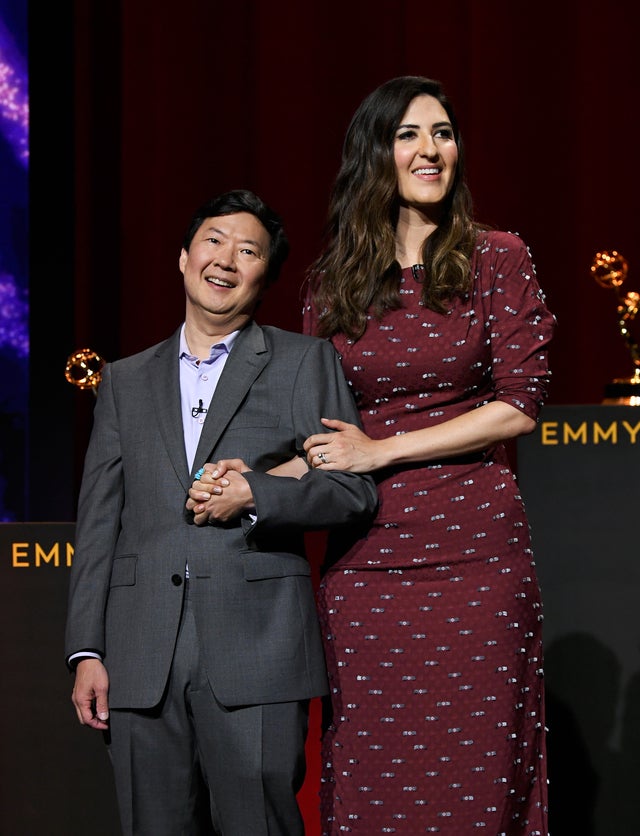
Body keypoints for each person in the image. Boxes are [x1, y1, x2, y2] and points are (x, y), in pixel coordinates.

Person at [64, 188, 378, 836]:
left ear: (265, 274)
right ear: (183, 258)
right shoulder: (125, 381)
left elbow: (352, 490)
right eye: (214, 241)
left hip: (257, 648)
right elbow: (99, 521)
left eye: (249, 250)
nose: (227, 260)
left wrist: (258, 494)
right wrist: (86, 649)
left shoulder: (302, 362)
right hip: (139, 654)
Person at [299, 76, 557, 834]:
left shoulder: (497, 259)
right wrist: (241, 483)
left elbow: (517, 408)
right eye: (409, 134)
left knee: (480, 774)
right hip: (365, 568)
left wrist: (382, 449)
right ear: (375, 153)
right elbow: (313, 430)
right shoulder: (331, 283)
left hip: (475, 554)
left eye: (442, 132)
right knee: (376, 779)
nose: (430, 149)